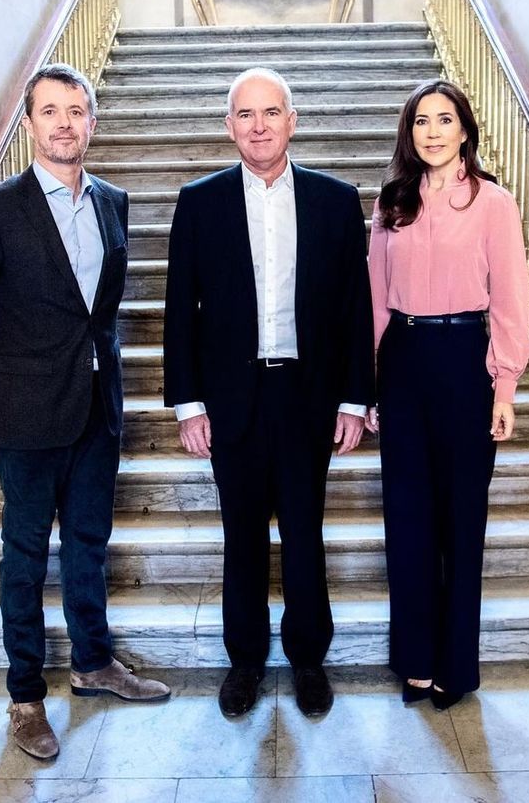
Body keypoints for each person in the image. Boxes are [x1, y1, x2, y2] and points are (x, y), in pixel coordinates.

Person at [0, 63, 170, 760]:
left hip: (97, 409)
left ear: (91, 122)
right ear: (30, 122)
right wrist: (8, 380)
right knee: (22, 556)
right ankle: (24, 696)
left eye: (77, 110)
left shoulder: (112, 200)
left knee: (88, 543)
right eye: (51, 111)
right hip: (26, 413)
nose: (64, 123)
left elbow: (95, 313)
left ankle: (94, 662)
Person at [163, 67, 375, 718]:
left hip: (308, 395)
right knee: (243, 534)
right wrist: (188, 403)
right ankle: (247, 660)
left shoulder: (335, 201)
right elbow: (180, 312)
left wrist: (353, 399)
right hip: (233, 398)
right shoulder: (199, 202)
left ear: (292, 120)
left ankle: (308, 656)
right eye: (245, 114)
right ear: (229, 126)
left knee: (306, 533)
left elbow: (353, 309)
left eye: (271, 112)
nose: (259, 126)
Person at [365, 79, 529, 710]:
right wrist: (370, 385)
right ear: (410, 134)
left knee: (463, 521)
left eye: (444, 119)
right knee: (408, 519)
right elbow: (376, 301)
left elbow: (511, 300)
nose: (432, 131)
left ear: (465, 129)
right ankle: (415, 659)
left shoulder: (494, 203)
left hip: (466, 362)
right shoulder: (392, 204)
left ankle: (455, 665)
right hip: (403, 362)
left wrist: (505, 386)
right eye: (420, 122)